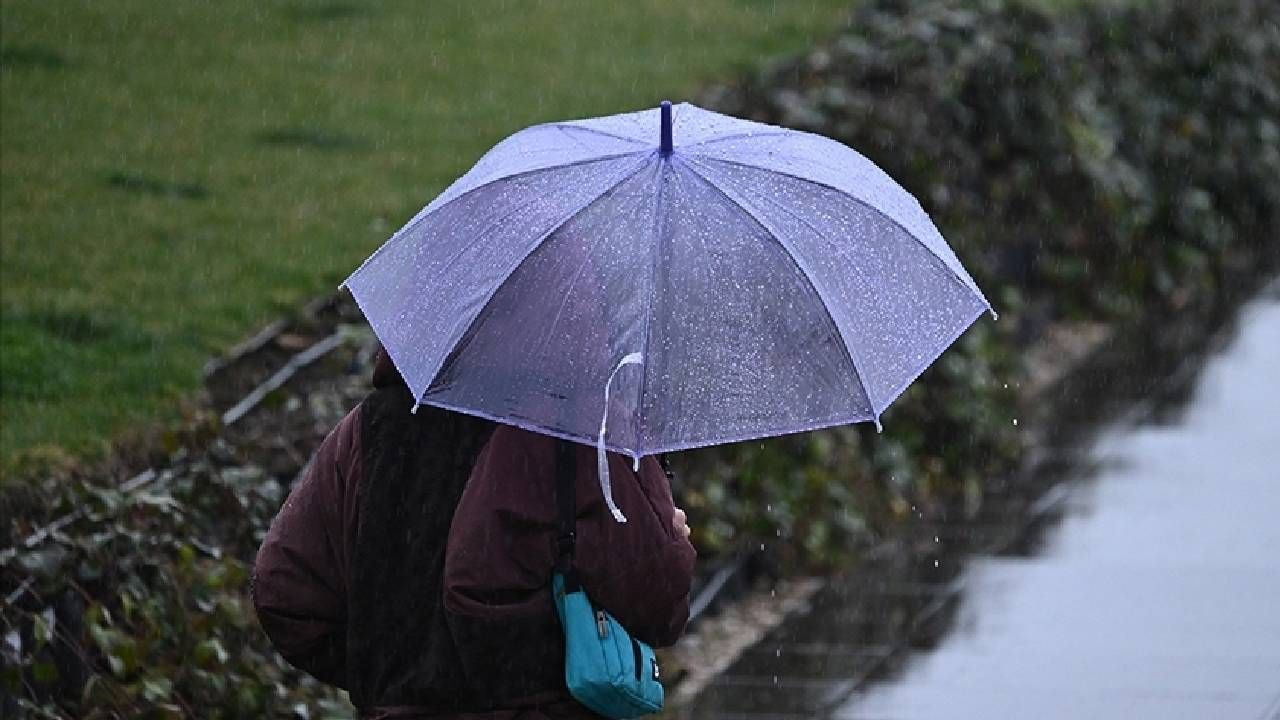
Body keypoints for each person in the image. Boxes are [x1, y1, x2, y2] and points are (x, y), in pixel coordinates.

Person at [252, 349, 696, 719]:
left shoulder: (374, 428)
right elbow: (657, 601)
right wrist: (669, 537)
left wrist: (393, 679)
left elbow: (285, 592)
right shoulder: (576, 429)